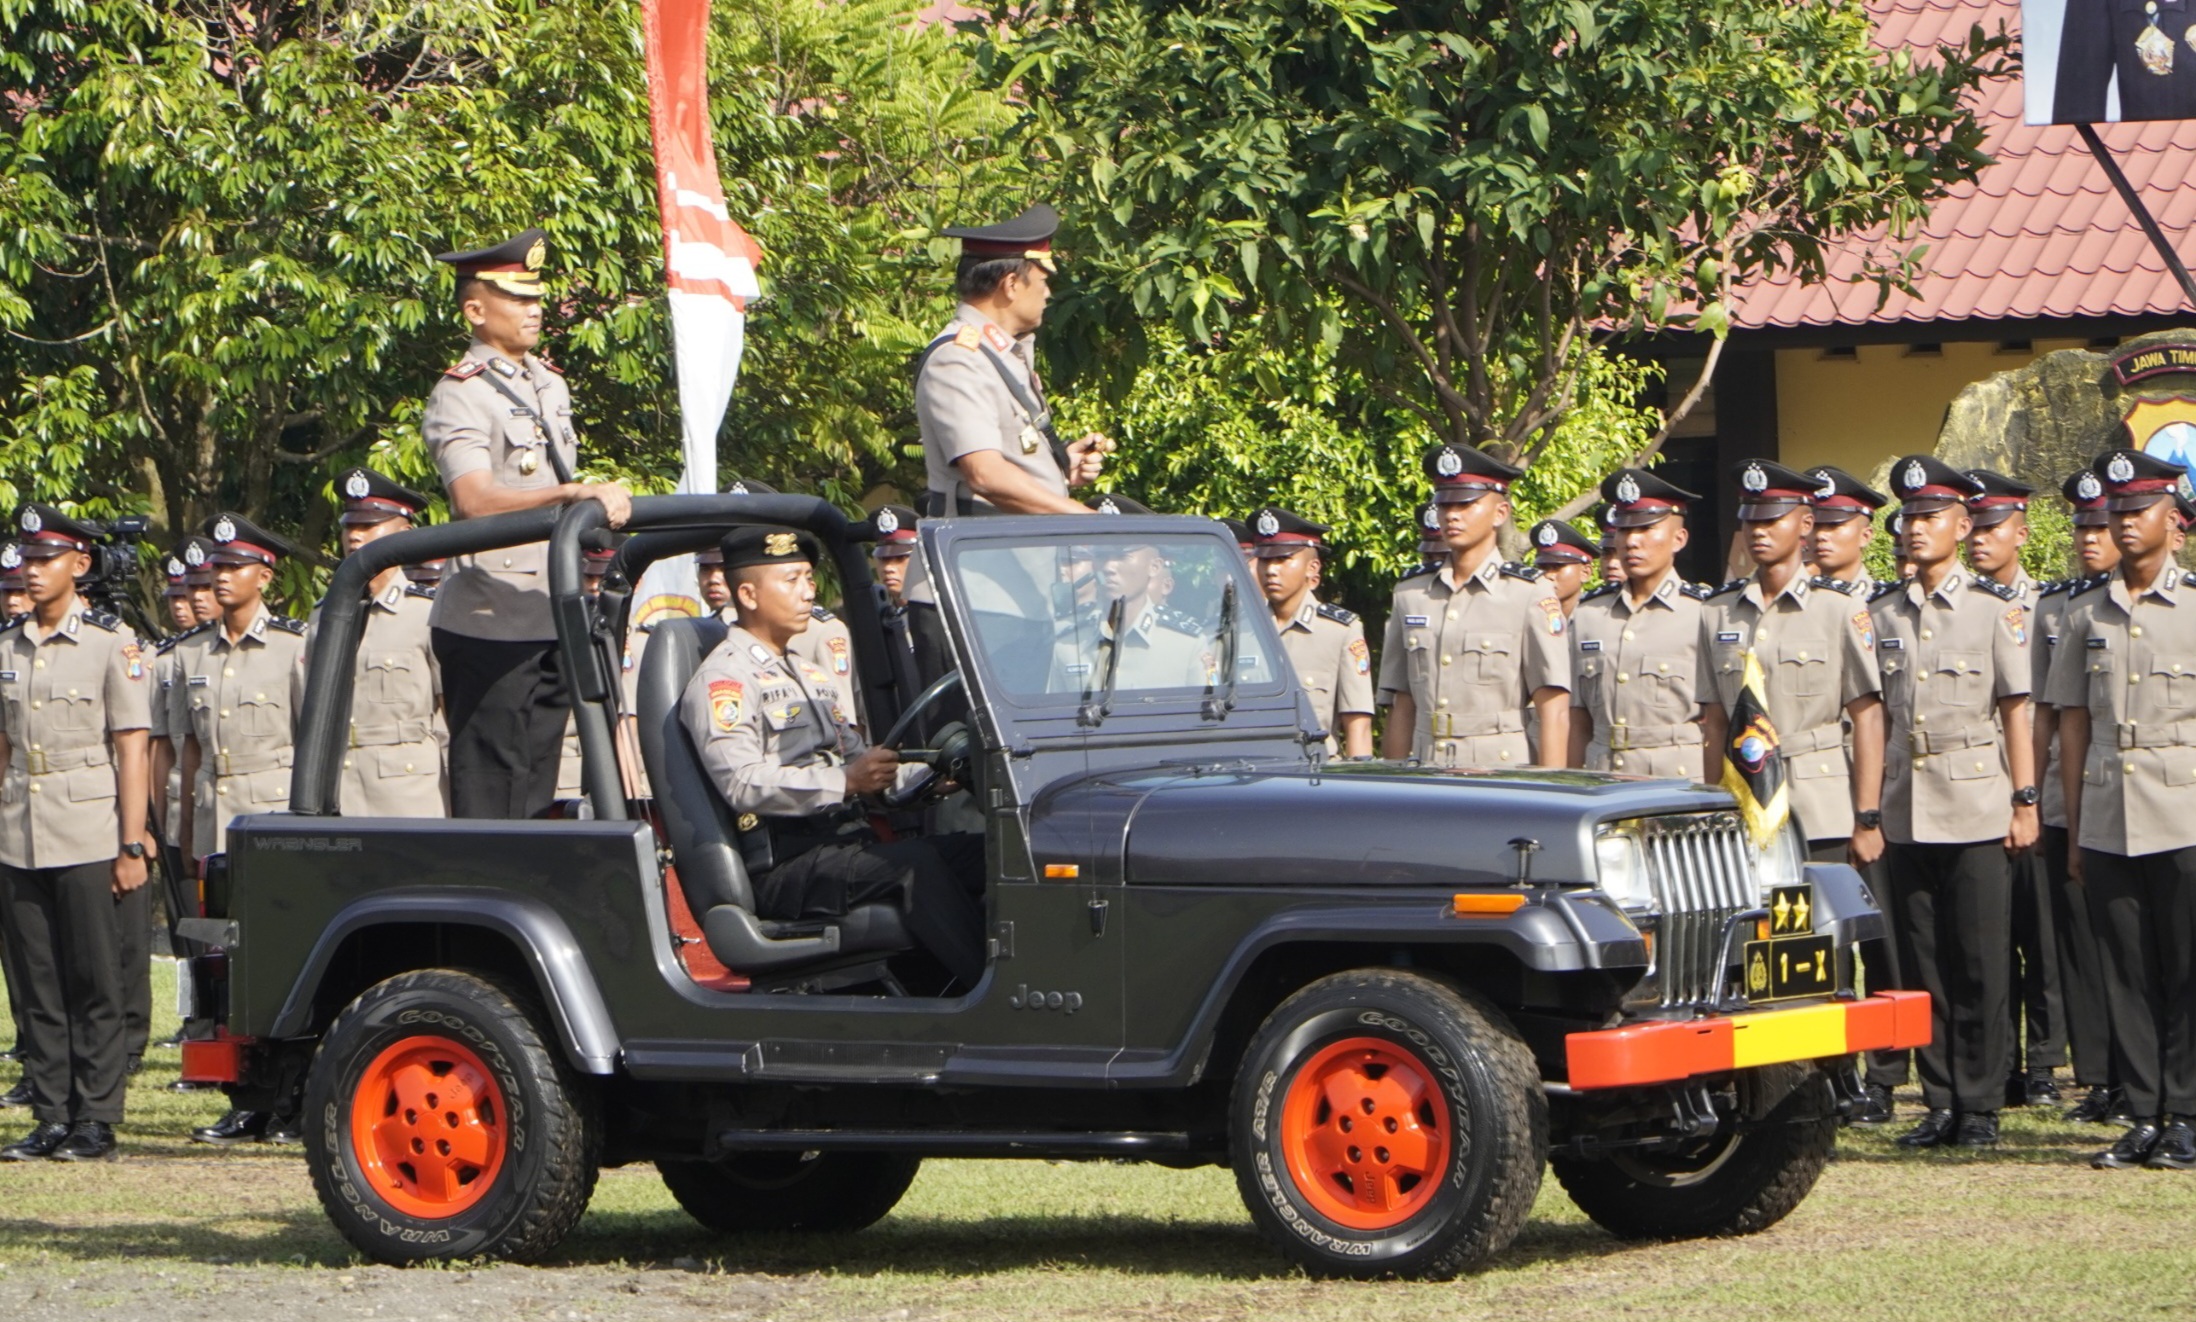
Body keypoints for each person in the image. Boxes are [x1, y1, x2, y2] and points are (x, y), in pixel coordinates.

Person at [681, 527, 984, 987]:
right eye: (793, 580)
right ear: (749, 594)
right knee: (917, 866)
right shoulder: (725, 679)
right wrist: (845, 782)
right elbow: (742, 783)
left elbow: (865, 767)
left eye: (809, 578)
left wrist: (937, 777)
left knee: (990, 854)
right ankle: (986, 995)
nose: (809, 591)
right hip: (786, 861)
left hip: (845, 849)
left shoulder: (811, 675)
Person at [420, 228, 633, 820]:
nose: (534, 309)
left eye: (536, 296)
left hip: (554, 608)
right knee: (494, 790)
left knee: (542, 785)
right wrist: (571, 492)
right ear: (475, 309)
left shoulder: (549, 383)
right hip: (491, 620)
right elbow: (474, 500)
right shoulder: (459, 394)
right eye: (518, 297)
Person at [1868, 457, 2038, 1150]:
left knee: (1980, 961)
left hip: (1977, 804)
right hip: (1908, 806)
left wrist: (2024, 800)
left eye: (1930, 517)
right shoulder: (1880, 614)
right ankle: (1939, 1100)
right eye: (1908, 517)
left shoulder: (1994, 612)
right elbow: (1874, 718)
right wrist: (1871, 812)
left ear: (1963, 526)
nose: (1915, 529)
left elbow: (2017, 712)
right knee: (1924, 962)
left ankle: (1982, 1102)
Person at [2045, 446, 2196, 1172]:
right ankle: (2144, 1112)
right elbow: (2072, 723)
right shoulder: (2083, 615)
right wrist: (2073, 823)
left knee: (2188, 967)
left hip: (2185, 810)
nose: (2126, 524)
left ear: (2177, 522)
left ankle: (2189, 1111)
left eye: (2140, 512)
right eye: (2118, 513)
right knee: (2127, 970)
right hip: (2108, 812)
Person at [0, 504, 152, 1163]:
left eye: (44, 560)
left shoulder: (108, 645)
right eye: (26, 561)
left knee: (95, 978)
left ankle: (96, 1115)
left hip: (89, 828)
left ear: (79, 566)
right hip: (18, 830)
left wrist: (132, 843)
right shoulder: (6, 646)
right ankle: (49, 1110)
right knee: (35, 980)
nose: (31, 572)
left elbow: (134, 748)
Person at [905, 203, 1112, 682]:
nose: (1049, 293)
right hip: (976, 592)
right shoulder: (960, 359)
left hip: (1015, 589)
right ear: (1011, 284)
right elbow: (984, 474)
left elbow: (1007, 458)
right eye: (1043, 280)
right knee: (974, 754)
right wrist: (1089, 522)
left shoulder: (1003, 355)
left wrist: (1060, 473)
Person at [171, 514, 306, 1147]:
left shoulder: (293, 648)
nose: (221, 578)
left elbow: (312, 745)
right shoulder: (192, 653)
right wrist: (183, 833)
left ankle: (292, 1100)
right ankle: (242, 1100)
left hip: (275, 814)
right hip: (213, 817)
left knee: (282, 959)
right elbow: (189, 750)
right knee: (221, 967)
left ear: (264, 575)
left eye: (233, 568)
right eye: (216, 568)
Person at [1698, 460, 1885, 865]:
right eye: (1750, 521)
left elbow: (1868, 715)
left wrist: (1867, 817)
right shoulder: (1717, 612)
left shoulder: (1839, 609)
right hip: (1742, 803)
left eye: (1772, 519)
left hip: (1818, 807)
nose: (1758, 532)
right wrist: (1713, 807)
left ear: (1805, 525)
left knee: (1820, 922)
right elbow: (1714, 720)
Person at [1803, 465, 1904, 1122]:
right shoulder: (1798, 603)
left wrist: (1871, 808)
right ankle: (1829, 1075)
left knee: (1880, 941)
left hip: (1874, 792)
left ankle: (1888, 1075)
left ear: (1865, 532)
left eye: (1836, 525)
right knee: (1813, 946)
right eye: (1815, 524)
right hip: (1812, 793)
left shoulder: (1885, 608)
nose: (1821, 537)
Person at [1963, 469, 2064, 1109]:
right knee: (1987, 943)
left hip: (2035, 791)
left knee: (2041, 932)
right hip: (1974, 793)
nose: (1978, 537)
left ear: (2021, 533)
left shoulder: (2051, 606)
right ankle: (1996, 1064)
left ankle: (2048, 1062)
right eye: (1970, 526)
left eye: (1991, 527)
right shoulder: (1958, 607)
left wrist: (2035, 794)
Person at [1379, 444, 1569, 767]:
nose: (1452, 514)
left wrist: (1550, 796)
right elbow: (1403, 704)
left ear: (1500, 513)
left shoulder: (1529, 594)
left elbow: (1554, 709)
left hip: (1499, 772)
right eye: (1444, 504)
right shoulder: (1411, 594)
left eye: (1466, 504)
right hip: (1427, 769)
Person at [2036, 468, 2127, 1126]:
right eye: (2083, 528)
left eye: (2101, 526)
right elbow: (2050, 712)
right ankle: (2098, 1076)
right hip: (2075, 795)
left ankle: (2142, 1079)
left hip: (2141, 795)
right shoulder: (2059, 606)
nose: (2091, 538)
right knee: (2081, 943)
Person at [312, 468, 445, 818]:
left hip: (408, 799)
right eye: (349, 526)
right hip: (334, 797)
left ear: (405, 534)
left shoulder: (428, 612)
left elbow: (454, 722)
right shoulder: (322, 617)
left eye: (368, 526)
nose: (354, 536)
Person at [1565, 468, 1705, 777]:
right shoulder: (1589, 615)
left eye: (1645, 529)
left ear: (1679, 539)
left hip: (1677, 784)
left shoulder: (1703, 614)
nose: (1631, 542)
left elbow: (1721, 722)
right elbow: (1577, 721)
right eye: (1625, 531)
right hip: (1602, 779)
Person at [1250, 507, 1372, 759]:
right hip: (1252, 775)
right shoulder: (1242, 630)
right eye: (1265, 559)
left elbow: (1358, 726)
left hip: (1317, 777)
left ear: (1312, 567)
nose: (1271, 570)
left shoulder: (1339, 631)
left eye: (1282, 559)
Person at [1528, 519, 1598, 616]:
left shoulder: (1597, 619)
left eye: (1557, 567)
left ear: (1585, 573)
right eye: (1543, 567)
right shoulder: (1528, 617)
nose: (1548, 575)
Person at [871, 504, 919, 607]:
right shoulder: (876, 614)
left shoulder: (945, 609)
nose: (888, 568)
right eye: (883, 559)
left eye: (900, 558)